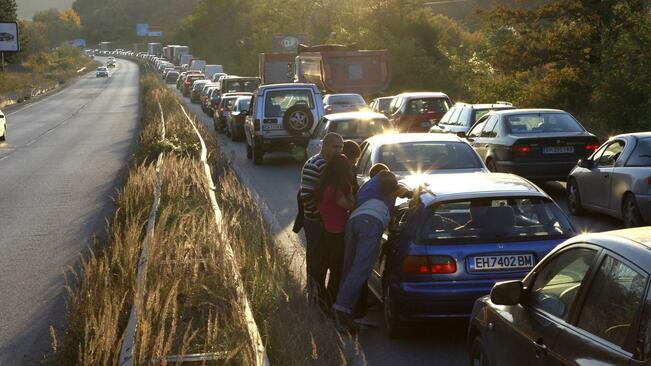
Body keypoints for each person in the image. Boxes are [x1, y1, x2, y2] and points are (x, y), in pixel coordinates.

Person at [333, 171, 403, 330]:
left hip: (354, 221)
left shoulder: (368, 188)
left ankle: (342, 308)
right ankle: (342, 309)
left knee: (350, 267)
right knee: (361, 269)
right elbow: (399, 196)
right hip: (371, 224)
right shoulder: (389, 189)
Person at [298, 133, 344, 303]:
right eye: (335, 146)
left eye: (340, 147)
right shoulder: (314, 165)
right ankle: (314, 298)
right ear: (324, 146)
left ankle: (324, 298)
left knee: (328, 260)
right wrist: (323, 216)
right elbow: (307, 197)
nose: (338, 150)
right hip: (316, 222)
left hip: (329, 223)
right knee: (317, 261)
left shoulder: (334, 165)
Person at [314, 154, 355, 308]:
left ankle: (325, 301)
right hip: (338, 234)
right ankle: (331, 304)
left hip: (327, 231)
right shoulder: (335, 192)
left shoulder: (323, 187)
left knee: (331, 268)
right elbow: (350, 205)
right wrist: (350, 191)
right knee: (337, 272)